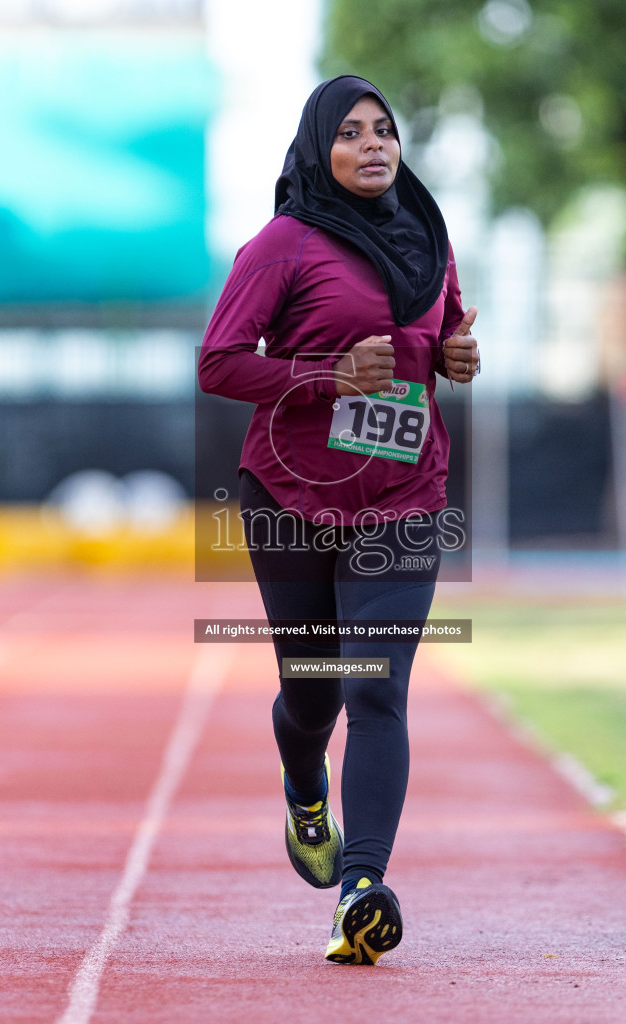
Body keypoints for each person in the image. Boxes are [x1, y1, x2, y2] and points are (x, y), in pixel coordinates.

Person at [197, 75, 479, 966]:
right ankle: (303, 781)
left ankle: (362, 887)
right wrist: (326, 377)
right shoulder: (282, 246)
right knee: (316, 692)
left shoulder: (427, 241)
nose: (373, 145)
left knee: (375, 688)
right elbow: (218, 362)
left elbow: (439, 339)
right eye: (351, 132)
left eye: (385, 131)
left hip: (403, 496)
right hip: (292, 497)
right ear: (319, 148)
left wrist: (456, 354)